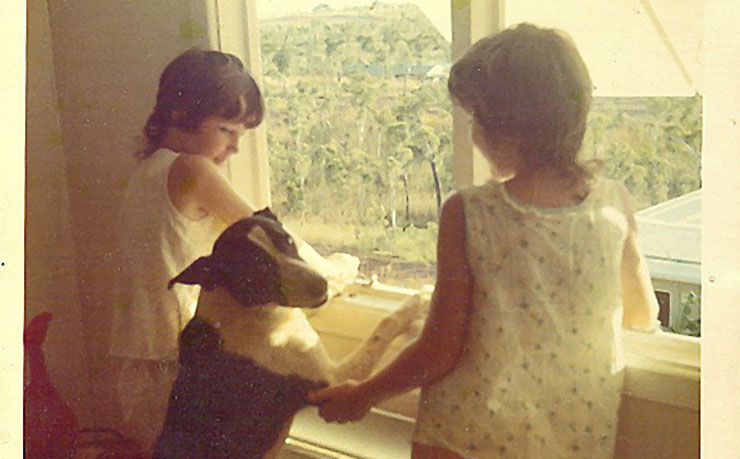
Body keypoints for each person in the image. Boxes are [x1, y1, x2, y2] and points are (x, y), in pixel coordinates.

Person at [308, 23, 659, 459]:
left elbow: (440, 348)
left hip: (465, 436)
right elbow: (642, 312)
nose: (473, 134)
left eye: (476, 120)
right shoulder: (615, 203)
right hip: (572, 439)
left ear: (506, 129)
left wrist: (364, 395)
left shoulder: (469, 211)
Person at [107, 48, 264, 452]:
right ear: (180, 113)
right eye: (228, 130)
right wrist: (334, 273)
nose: (235, 148)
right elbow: (265, 237)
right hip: (176, 360)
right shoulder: (193, 170)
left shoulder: (146, 171)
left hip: (139, 357)